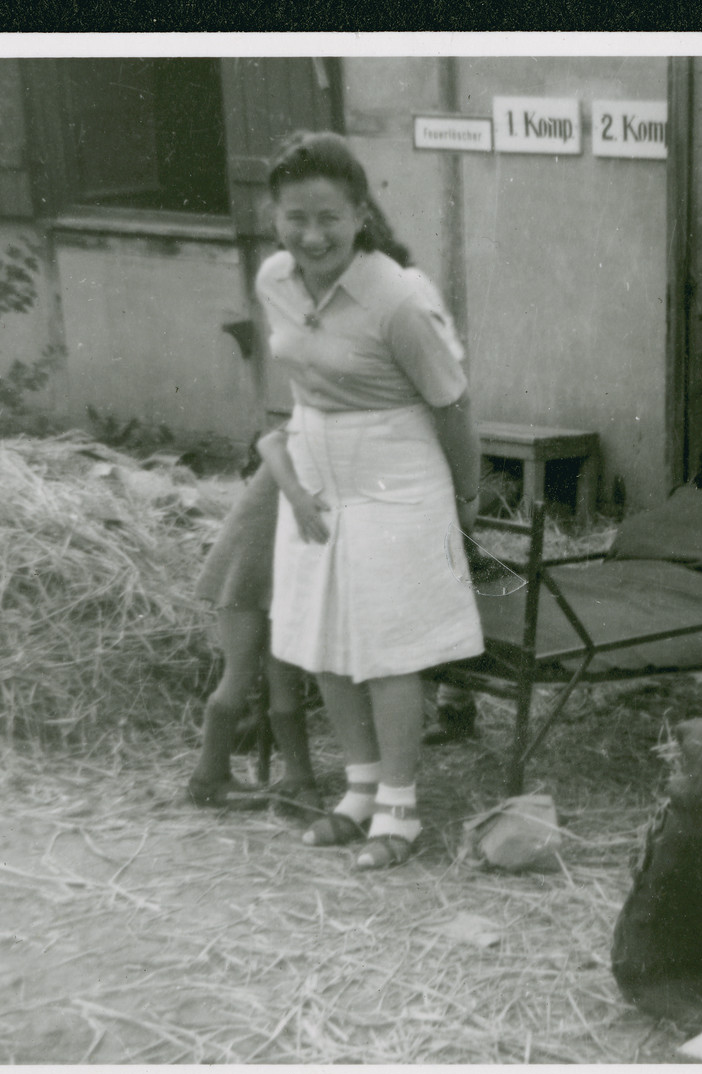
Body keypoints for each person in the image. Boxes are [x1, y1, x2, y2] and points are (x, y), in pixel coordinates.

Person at [252, 132, 485, 871]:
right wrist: (293, 470)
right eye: (295, 217)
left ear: (360, 214)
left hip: (397, 477)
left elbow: (452, 406)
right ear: (276, 216)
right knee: (324, 634)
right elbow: (294, 385)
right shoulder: (273, 280)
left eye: (329, 216)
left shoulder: (401, 296)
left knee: (388, 648)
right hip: (317, 472)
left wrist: (466, 497)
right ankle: (358, 790)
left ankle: (400, 806)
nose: (311, 235)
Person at [187, 458, 320, 821]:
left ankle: (297, 778)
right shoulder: (309, 428)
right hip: (246, 565)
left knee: (284, 676)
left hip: (285, 566)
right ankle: (208, 778)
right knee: (241, 670)